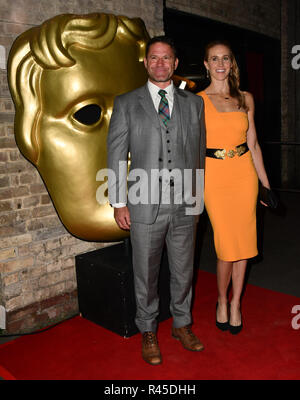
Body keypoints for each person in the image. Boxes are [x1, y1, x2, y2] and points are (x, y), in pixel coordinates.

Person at [107, 36, 206, 365]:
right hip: (143, 201)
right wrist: (119, 201)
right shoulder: (126, 103)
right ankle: (148, 330)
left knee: (184, 269)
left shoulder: (194, 104)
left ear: (176, 64)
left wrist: (196, 197)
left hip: (183, 202)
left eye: (167, 58)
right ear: (146, 62)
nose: (160, 63)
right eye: (154, 58)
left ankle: (182, 324)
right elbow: (116, 155)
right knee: (145, 273)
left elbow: (198, 156)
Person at [197, 40, 271, 335]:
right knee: (226, 247)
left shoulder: (246, 99)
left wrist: (265, 183)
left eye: (225, 58)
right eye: (214, 59)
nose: (220, 64)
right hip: (214, 177)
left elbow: (252, 144)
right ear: (206, 64)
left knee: (244, 246)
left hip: (244, 174)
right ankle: (220, 299)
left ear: (231, 63)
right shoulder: (197, 101)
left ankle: (236, 302)